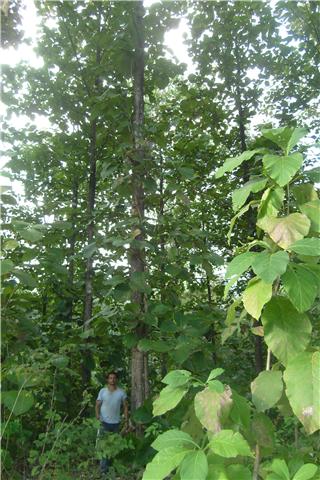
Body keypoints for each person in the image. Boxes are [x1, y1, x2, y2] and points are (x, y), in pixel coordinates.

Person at [95, 371, 129, 476]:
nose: (112, 380)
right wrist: (97, 416)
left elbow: (125, 406)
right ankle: (103, 470)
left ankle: (108, 468)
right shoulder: (103, 391)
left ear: (116, 379)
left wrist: (126, 419)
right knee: (104, 446)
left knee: (113, 446)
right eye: (110, 378)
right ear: (107, 380)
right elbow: (97, 405)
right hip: (104, 422)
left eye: (114, 378)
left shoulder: (121, 392)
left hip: (116, 423)